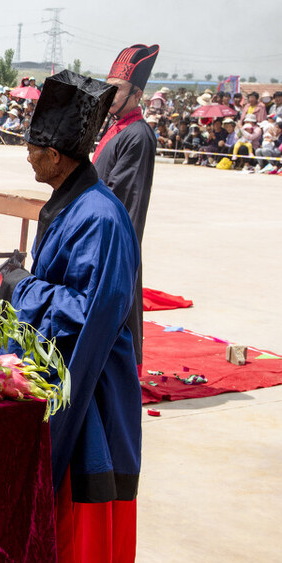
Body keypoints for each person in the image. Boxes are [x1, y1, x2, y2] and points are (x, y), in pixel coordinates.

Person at [0, 70, 141, 563]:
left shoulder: (101, 218)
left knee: (81, 481)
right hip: (57, 361)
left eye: (32, 149)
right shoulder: (69, 196)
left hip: (88, 377)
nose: (27, 158)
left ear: (55, 155)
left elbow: (87, 312)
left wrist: (21, 287)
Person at [92, 43, 158, 362]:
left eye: (117, 88)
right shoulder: (116, 127)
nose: (110, 95)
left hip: (115, 239)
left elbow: (123, 197)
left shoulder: (138, 135)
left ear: (137, 94)